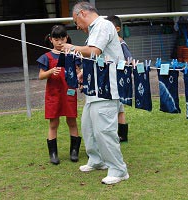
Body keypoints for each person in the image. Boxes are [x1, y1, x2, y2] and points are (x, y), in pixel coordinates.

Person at [63, 2, 129, 185]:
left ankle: (118, 169)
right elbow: (98, 58)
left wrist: (71, 48)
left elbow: (94, 51)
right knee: (89, 128)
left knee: (105, 131)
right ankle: (97, 159)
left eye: (77, 21)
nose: (77, 26)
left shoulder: (103, 25)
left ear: (82, 13)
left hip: (106, 89)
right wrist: (83, 72)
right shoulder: (94, 30)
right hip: (94, 89)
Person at [37, 25, 81, 165]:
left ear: (66, 38)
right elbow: (41, 76)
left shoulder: (72, 54)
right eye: (56, 39)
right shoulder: (46, 57)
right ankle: (53, 154)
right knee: (54, 123)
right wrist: (50, 72)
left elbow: (78, 71)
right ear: (51, 40)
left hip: (69, 93)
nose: (60, 42)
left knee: (72, 121)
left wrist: (79, 77)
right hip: (53, 95)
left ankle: (74, 152)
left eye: (62, 38)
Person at [106, 15, 132, 142]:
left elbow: (129, 60)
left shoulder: (121, 43)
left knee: (120, 109)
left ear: (116, 29)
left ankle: (122, 134)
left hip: (119, 79)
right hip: (109, 79)